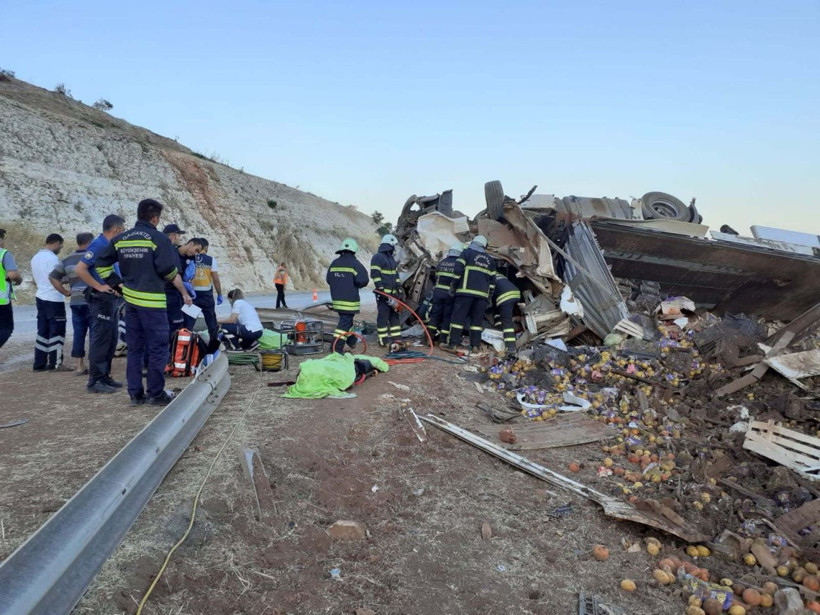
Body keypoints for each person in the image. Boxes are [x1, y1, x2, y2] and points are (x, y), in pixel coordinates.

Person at [94, 199, 192, 405]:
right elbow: (167, 270)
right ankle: (155, 393)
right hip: (154, 303)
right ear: (155, 219)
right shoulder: (159, 239)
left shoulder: (121, 239)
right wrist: (177, 281)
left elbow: (101, 265)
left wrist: (117, 285)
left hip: (131, 303)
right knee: (158, 348)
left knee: (135, 348)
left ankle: (135, 394)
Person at [75, 214, 127, 393]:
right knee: (101, 339)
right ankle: (95, 380)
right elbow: (80, 269)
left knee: (111, 339)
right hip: (100, 299)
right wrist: (99, 286)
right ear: (116, 230)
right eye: (122, 231)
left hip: (111, 299)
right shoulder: (99, 245)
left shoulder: (108, 246)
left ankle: (105, 376)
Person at [441, 235, 496, 353]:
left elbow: (457, 271)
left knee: (458, 319)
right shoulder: (490, 260)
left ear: (473, 243)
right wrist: (489, 297)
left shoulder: (466, 253)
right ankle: (475, 346)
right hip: (482, 297)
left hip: (464, 294)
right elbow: (492, 282)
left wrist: (453, 286)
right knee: (476, 322)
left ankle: (453, 345)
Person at [49, 232, 94, 373]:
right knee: (95, 333)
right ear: (90, 242)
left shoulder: (67, 259)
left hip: (75, 301)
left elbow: (53, 277)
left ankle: (79, 365)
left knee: (78, 333)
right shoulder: (93, 257)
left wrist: (65, 292)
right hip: (92, 300)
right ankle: (95, 364)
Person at [31, 234, 70, 371]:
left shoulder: (35, 258)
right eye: (61, 246)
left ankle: (39, 363)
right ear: (56, 243)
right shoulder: (52, 258)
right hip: (54, 298)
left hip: (40, 296)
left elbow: (35, 279)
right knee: (57, 330)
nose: (60, 249)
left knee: (43, 330)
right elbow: (55, 278)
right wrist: (67, 286)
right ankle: (55, 363)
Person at [326, 238, 369, 353]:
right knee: (344, 324)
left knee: (347, 321)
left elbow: (328, 280)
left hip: (337, 301)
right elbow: (363, 280)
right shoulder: (355, 264)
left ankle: (351, 340)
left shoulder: (334, 263)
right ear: (354, 251)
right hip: (350, 302)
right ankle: (336, 348)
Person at [186, 237, 222, 339]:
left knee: (189, 323)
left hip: (193, 295)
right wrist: (219, 294)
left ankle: (185, 343)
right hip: (206, 296)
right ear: (205, 247)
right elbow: (215, 279)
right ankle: (214, 344)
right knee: (211, 323)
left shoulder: (191, 258)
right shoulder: (211, 260)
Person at [166, 238, 203, 336]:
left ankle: (186, 339)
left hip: (183, 292)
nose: (196, 253)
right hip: (170, 291)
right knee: (173, 323)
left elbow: (191, 276)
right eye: (196, 250)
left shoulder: (192, 258)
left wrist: (190, 288)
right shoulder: (172, 253)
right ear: (191, 244)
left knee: (189, 320)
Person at [371, 233, 402, 347]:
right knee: (383, 317)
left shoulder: (391, 259)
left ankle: (397, 338)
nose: (394, 248)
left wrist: (399, 288)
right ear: (389, 245)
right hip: (383, 295)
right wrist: (381, 290)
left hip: (393, 296)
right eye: (394, 245)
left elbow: (396, 276)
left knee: (394, 317)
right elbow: (375, 275)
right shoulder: (377, 257)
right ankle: (383, 339)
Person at [426, 243, 462, 343]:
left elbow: (436, 276)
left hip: (438, 292)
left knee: (435, 315)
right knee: (447, 316)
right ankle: (442, 340)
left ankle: (429, 338)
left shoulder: (442, 262)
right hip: (450, 294)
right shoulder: (458, 264)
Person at [0, 228, 23, 350]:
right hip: (2, 301)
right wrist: (19, 280)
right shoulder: (4, 254)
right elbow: (13, 275)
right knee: (6, 328)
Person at [491, 267, 522, 354]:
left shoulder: (486, 276)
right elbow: (495, 306)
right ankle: (500, 330)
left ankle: (511, 347)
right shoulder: (498, 275)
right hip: (515, 293)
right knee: (502, 315)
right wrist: (498, 325)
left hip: (505, 296)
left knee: (506, 322)